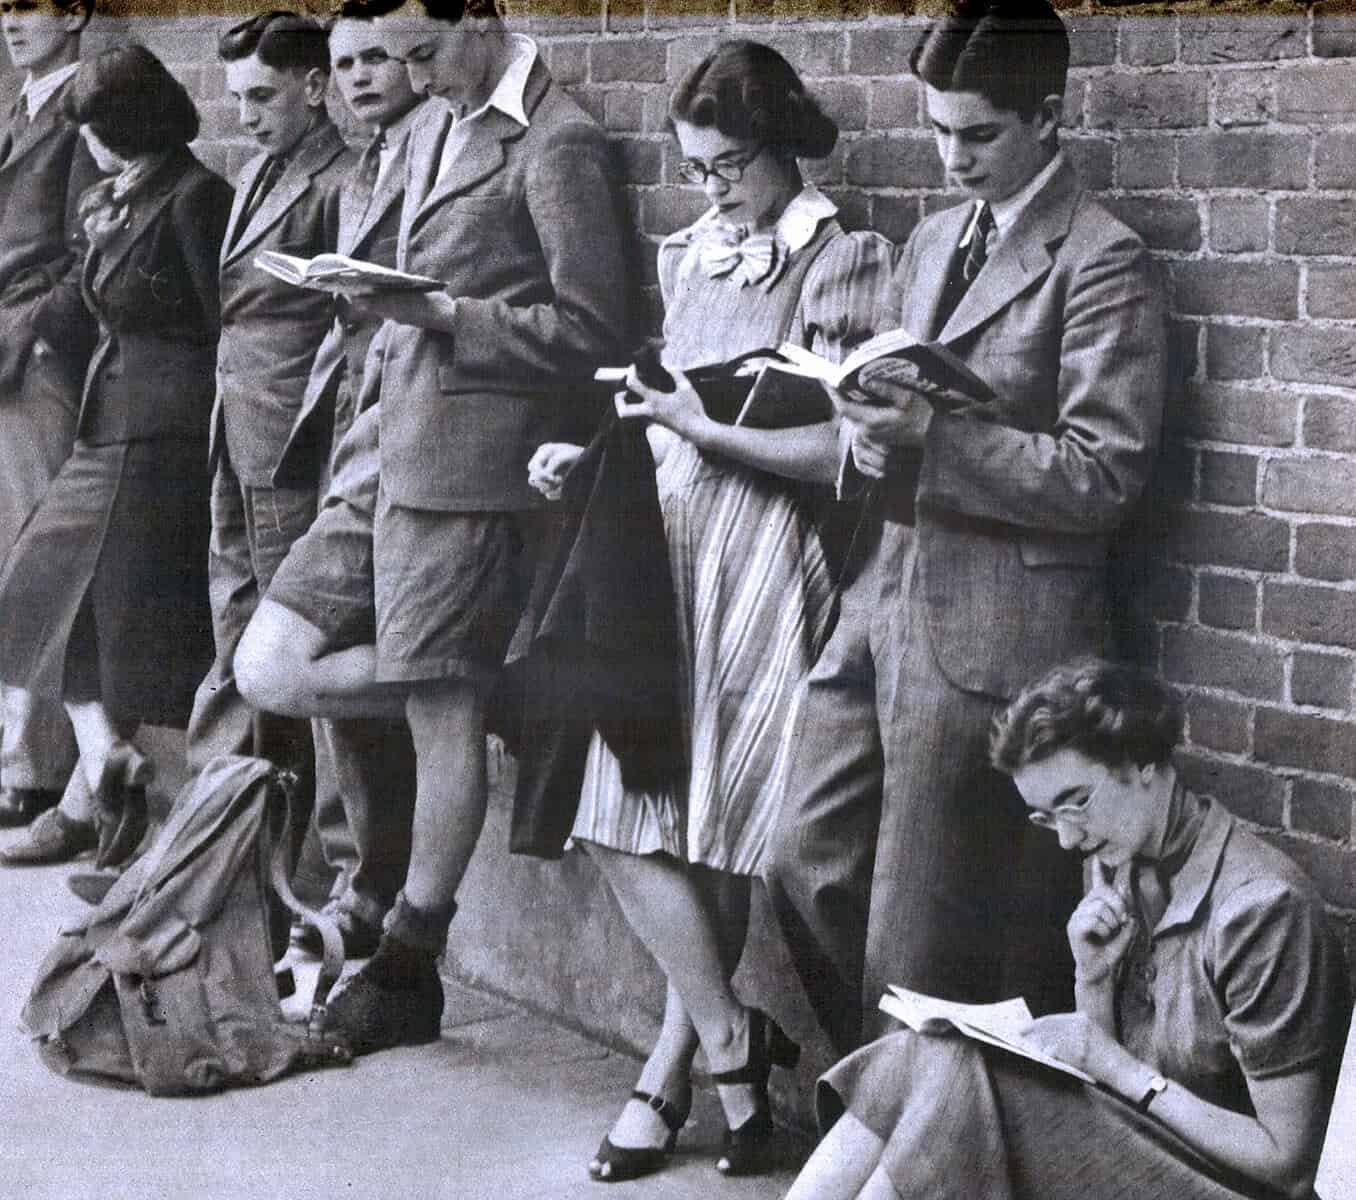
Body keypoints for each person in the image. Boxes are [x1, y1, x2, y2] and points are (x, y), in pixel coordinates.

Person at [765, 0, 1169, 1056]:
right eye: (938, 130)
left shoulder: (1103, 259)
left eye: (979, 134)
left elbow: (1103, 476)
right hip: (883, 594)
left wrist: (932, 440)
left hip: (998, 628)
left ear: (1049, 118)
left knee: (921, 929)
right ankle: (888, 1085)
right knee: (799, 857)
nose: (952, 159)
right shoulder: (936, 237)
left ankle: (904, 1120)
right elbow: (903, 407)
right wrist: (867, 434)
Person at [526, 40, 896, 1182]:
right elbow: (663, 401)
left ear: (782, 146)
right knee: (614, 804)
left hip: (765, 558)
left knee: (719, 827)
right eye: (696, 168)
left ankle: (671, 1072)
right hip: (660, 553)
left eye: (729, 166)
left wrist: (701, 430)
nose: (713, 188)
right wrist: (592, 450)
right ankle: (732, 1038)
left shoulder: (843, 257)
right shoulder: (691, 253)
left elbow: (846, 455)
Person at [232, 0, 628, 1053]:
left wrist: (451, 316)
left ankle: (411, 960)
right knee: (269, 666)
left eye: (425, 50)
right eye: (395, 55)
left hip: (471, 475)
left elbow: (597, 329)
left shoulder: (558, 141)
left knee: (437, 709)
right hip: (386, 453)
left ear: (483, 17)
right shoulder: (437, 125)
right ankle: (499, 680)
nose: (412, 73)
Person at [787, 659, 1352, 1200]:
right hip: (1141, 1153)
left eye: (1076, 803)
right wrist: (1094, 981)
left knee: (958, 1082)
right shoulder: (1114, 861)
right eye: (1046, 816)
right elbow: (1110, 1095)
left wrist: (1114, 1065)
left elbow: (1288, 1166)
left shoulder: (1260, 909)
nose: (1066, 838)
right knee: (914, 1052)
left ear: (1144, 763)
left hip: (1225, 1184)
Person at [0, 43, 231, 868]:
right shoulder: (118, 193)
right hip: (107, 423)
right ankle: (107, 764)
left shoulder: (196, 195)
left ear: (127, 126)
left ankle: (117, 812)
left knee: (119, 622)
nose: (88, 146)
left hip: (162, 433)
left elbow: (218, 325)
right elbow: (91, 304)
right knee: (30, 596)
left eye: (95, 130)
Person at [271, 4, 426, 959]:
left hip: (409, 428)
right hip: (349, 420)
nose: (360, 78)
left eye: (377, 58)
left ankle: (377, 887)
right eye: (345, 64)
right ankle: (360, 885)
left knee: (324, 656)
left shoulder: (439, 145)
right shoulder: (371, 159)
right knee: (328, 665)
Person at [185, 11, 353, 786]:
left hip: (293, 445)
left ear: (314, 87)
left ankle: (317, 840)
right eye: (237, 98)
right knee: (232, 617)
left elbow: (348, 328)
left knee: (289, 634)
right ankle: (224, 817)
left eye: (262, 96)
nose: (245, 115)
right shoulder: (257, 172)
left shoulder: (344, 182)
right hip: (236, 427)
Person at [0, 0, 98, 834]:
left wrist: (33, 337)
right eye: (4, 7)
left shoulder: (85, 107)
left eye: (28, 5)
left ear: (76, 14)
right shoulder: (16, 111)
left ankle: (34, 766)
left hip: (31, 363)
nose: (11, 21)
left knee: (34, 555)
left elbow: (87, 251)